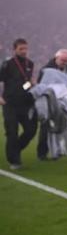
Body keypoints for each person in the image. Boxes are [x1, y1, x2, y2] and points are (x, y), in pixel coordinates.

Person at [0, 38, 37, 170]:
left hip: (25, 102)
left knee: (31, 130)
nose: (24, 51)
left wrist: (31, 84)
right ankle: (14, 161)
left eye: (25, 48)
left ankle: (15, 150)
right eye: (21, 49)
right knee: (12, 132)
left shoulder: (30, 64)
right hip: (10, 103)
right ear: (14, 49)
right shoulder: (7, 64)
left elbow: (24, 85)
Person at [37, 49, 67, 160]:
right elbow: (40, 84)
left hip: (63, 101)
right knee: (45, 127)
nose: (65, 63)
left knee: (61, 126)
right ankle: (42, 153)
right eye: (63, 60)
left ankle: (58, 151)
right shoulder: (46, 69)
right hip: (48, 101)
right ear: (56, 58)